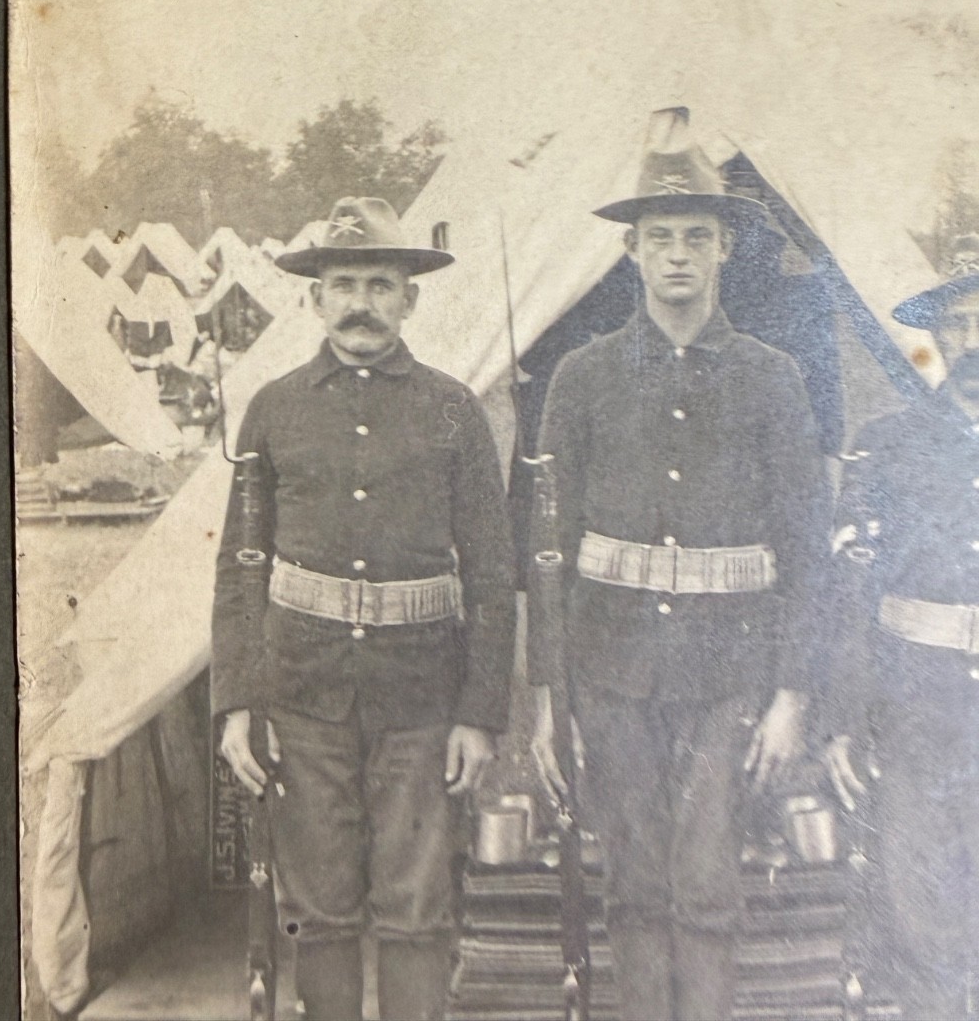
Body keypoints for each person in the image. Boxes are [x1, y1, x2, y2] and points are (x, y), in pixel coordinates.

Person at [528, 110, 830, 1021]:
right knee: (632, 883)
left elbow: (808, 551)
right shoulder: (580, 379)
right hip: (611, 672)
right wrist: (549, 695)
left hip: (727, 675)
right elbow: (546, 552)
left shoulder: (774, 378)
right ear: (630, 252)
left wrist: (792, 695)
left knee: (703, 882)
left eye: (698, 236)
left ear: (726, 249)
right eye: (659, 238)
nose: (678, 257)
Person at [212, 196, 517, 1021]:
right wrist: (239, 701)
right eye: (343, 284)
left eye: (380, 285)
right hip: (303, 697)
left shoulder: (454, 410)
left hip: (422, 699)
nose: (360, 304)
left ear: (410, 298)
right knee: (319, 908)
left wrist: (481, 713)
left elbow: (493, 572)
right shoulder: (272, 408)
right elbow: (242, 567)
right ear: (313, 299)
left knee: (417, 908)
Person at [824, 227, 979, 1021]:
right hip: (921, 709)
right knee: (923, 913)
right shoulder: (886, 446)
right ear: (936, 334)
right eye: (960, 321)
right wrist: (846, 718)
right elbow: (852, 592)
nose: (975, 337)